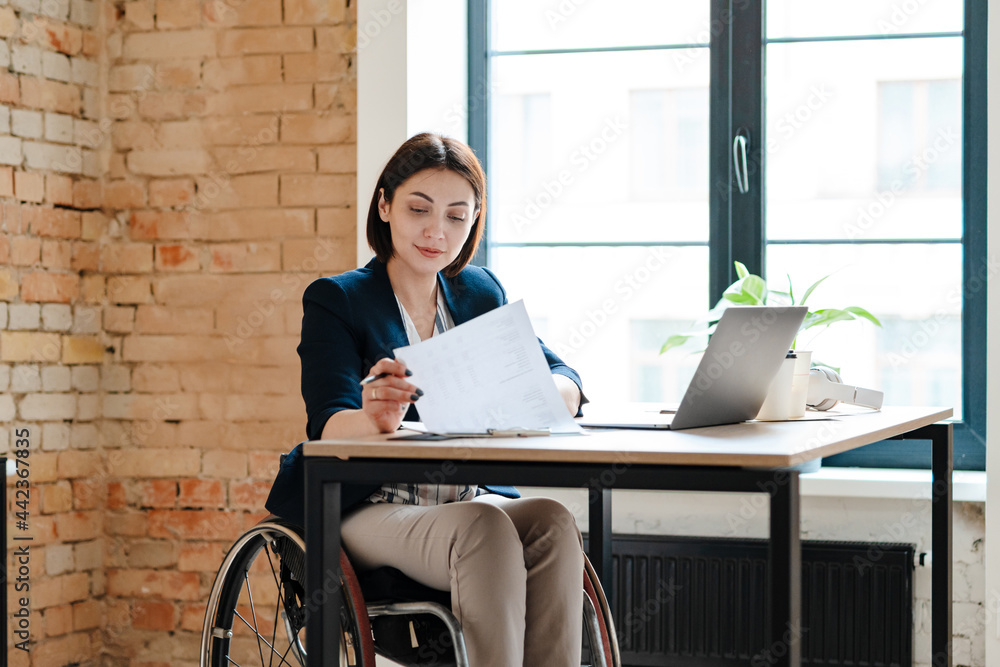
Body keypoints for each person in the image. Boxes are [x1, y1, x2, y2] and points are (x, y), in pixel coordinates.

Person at [265, 132, 589, 666]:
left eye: (457, 216)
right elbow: (328, 424)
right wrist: (375, 419)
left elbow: (562, 373)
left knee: (552, 521)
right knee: (484, 527)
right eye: (419, 209)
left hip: (460, 499)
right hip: (367, 505)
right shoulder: (338, 299)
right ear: (385, 204)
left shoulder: (480, 292)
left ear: (474, 221)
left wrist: (542, 395)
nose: (437, 232)